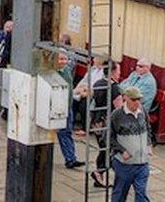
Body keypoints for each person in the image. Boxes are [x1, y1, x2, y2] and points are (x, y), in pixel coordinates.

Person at [109, 86, 153, 202]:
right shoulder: (116, 115)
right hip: (124, 165)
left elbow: (148, 128)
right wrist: (121, 150)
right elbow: (108, 137)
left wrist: (148, 144)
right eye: (134, 99)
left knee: (141, 194)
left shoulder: (142, 111)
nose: (137, 102)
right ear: (126, 98)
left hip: (143, 163)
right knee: (119, 194)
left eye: (139, 99)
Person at [87, 61, 122, 189]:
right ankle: (99, 172)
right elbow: (119, 109)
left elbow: (93, 103)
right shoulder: (114, 88)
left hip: (97, 122)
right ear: (113, 72)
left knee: (103, 148)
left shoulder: (98, 83)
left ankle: (99, 176)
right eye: (118, 71)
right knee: (108, 150)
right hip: (108, 124)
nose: (120, 73)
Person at [56, 51, 85, 169]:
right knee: (64, 133)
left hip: (68, 107)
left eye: (65, 59)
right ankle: (70, 158)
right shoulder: (54, 73)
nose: (64, 62)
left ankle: (71, 158)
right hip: (59, 107)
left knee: (66, 133)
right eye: (61, 59)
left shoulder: (67, 70)